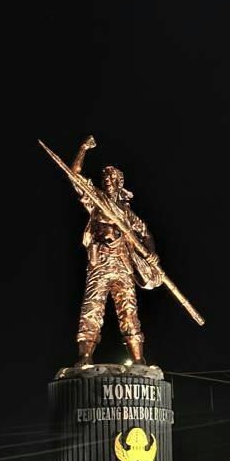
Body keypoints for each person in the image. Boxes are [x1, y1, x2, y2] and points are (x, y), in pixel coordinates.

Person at [70, 135, 161, 366]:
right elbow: (75, 175)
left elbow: (145, 233)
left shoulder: (127, 214)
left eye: (113, 177)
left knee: (129, 310)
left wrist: (150, 253)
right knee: (92, 307)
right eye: (105, 177)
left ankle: (138, 359)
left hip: (122, 266)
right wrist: (83, 148)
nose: (108, 180)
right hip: (99, 262)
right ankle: (85, 356)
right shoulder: (96, 200)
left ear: (120, 182)